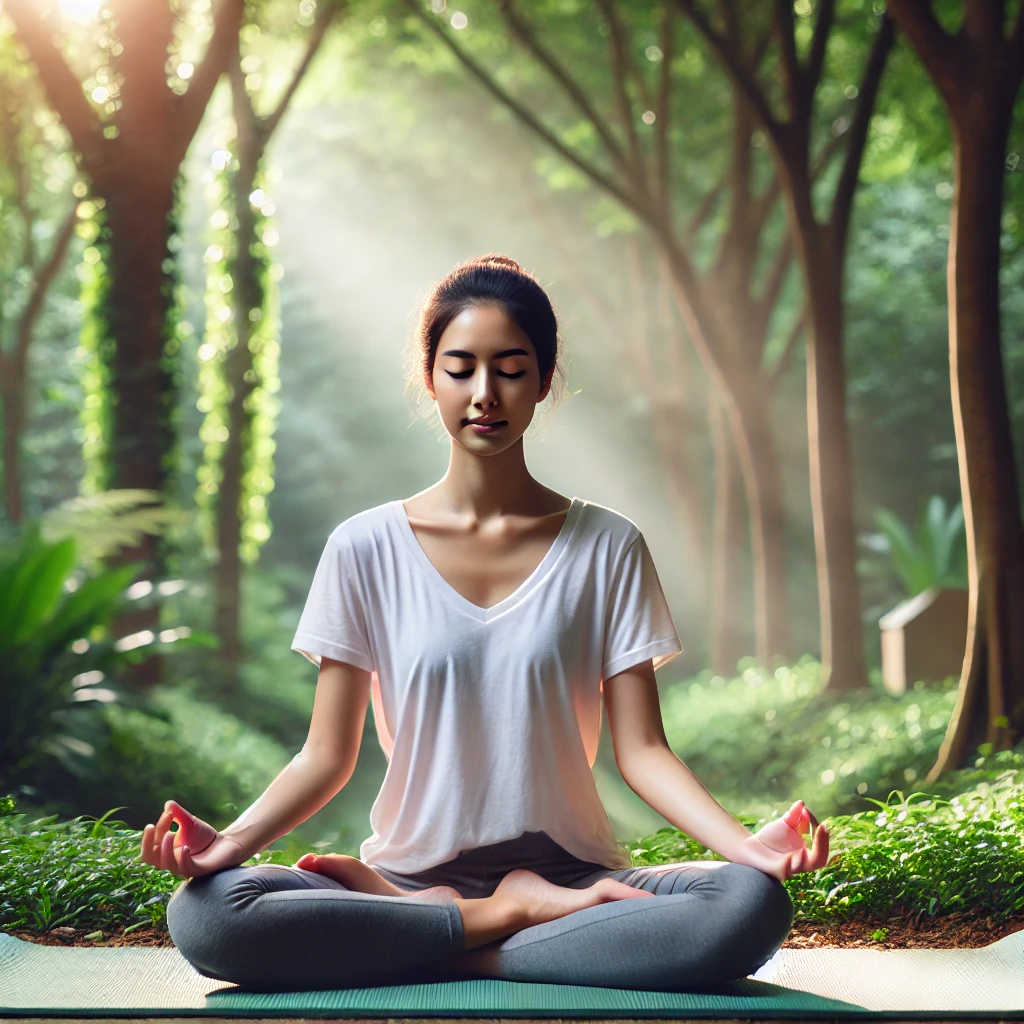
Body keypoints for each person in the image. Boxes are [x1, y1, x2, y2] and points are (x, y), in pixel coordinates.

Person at [143, 254, 829, 993]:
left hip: (574, 883)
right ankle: (501, 920)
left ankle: (461, 933)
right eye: (461, 367)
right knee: (210, 915)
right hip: (411, 879)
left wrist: (746, 849)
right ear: (430, 376)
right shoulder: (363, 548)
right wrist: (232, 845)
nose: (484, 394)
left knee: (747, 904)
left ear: (542, 379)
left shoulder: (608, 546)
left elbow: (643, 751)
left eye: (509, 368)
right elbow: (325, 756)